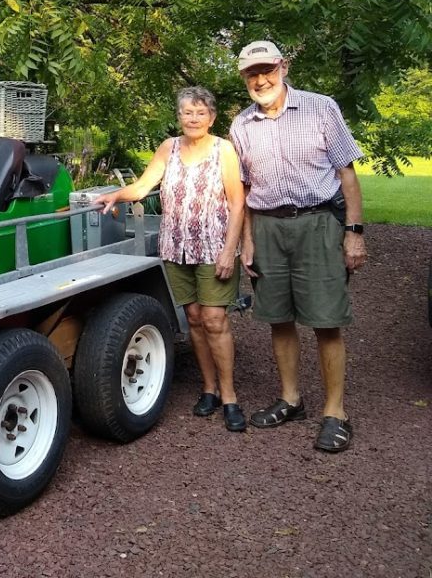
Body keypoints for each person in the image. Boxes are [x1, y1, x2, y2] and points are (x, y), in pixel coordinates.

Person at [230, 40, 366, 453]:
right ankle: (291, 399)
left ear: (283, 67)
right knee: (279, 317)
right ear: (244, 78)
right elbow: (245, 188)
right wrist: (247, 242)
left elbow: (347, 174)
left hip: (318, 224)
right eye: (252, 73)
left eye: (267, 69)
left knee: (326, 320)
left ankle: (335, 412)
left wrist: (354, 231)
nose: (261, 79)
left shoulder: (321, 107)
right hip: (268, 228)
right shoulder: (241, 125)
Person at [97, 87, 246, 431]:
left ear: (212, 117)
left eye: (200, 113)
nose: (193, 119)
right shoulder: (169, 147)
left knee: (214, 320)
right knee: (193, 317)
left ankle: (229, 396)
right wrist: (116, 194)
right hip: (176, 245)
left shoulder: (224, 150)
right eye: (187, 113)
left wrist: (229, 249)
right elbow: (143, 185)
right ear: (179, 116)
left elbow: (238, 203)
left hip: (213, 246)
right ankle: (208, 389)